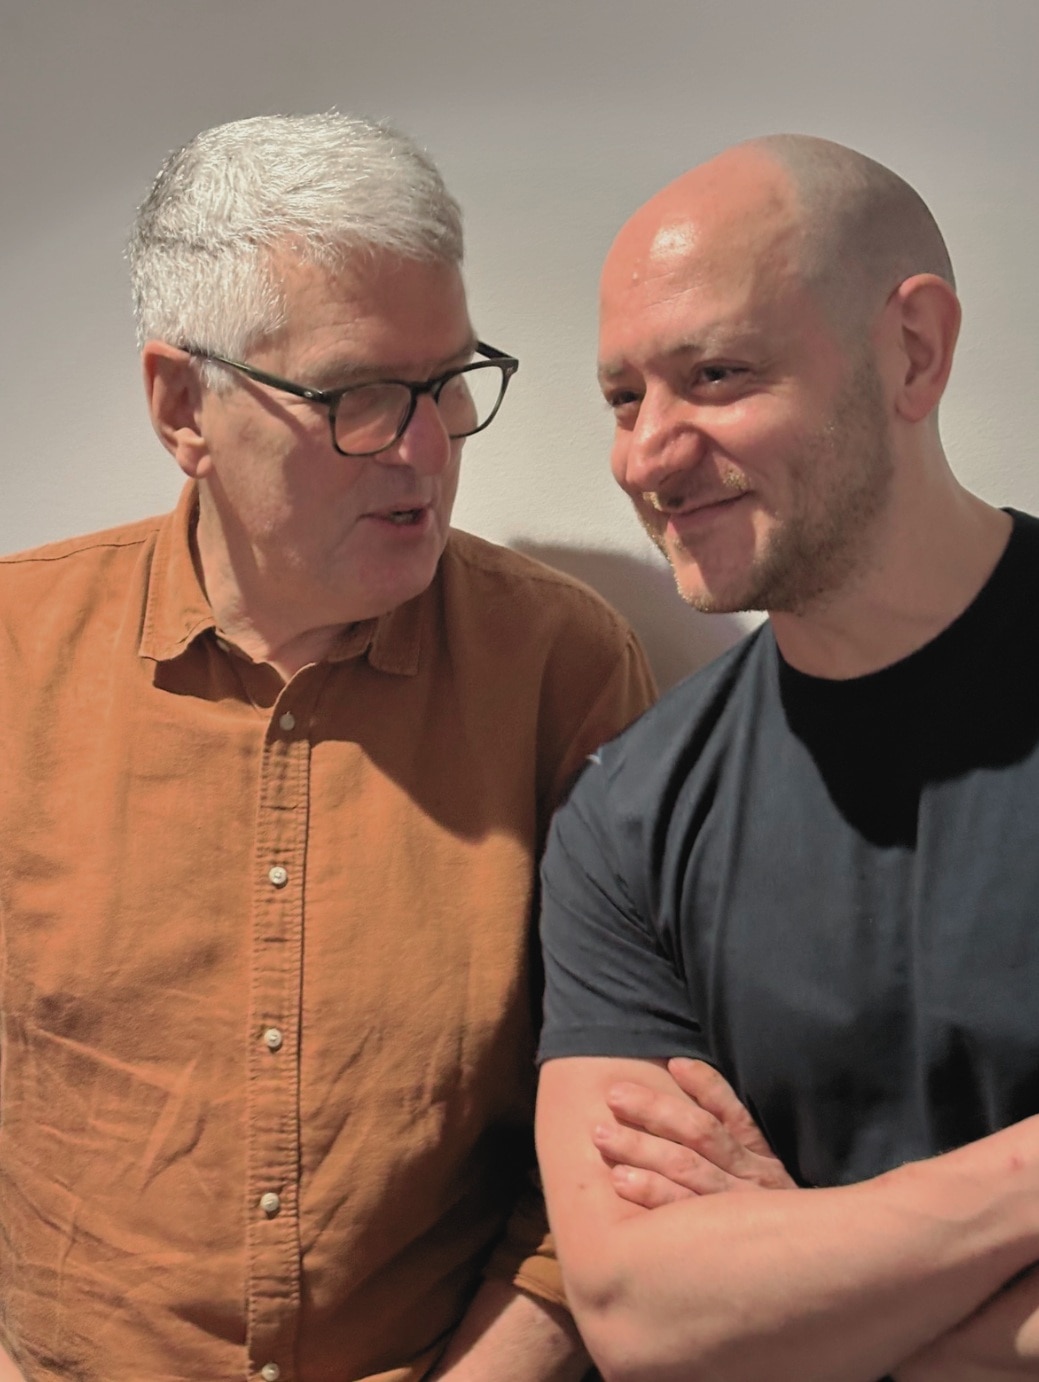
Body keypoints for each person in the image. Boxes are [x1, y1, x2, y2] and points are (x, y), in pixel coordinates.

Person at [0, 113, 656, 1382]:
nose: (424, 448)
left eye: (445, 382)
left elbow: (624, 1131)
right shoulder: (15, 657)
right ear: (182, 404)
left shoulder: (558, 669)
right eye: (355, 394)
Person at [535, 133, 1039, 1382]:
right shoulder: (625, 815)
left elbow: (736, 1327)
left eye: (714, 372)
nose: (647, 453)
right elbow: (645, 1318)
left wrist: (801, 1255)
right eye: (620, 397)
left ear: (911, 350)